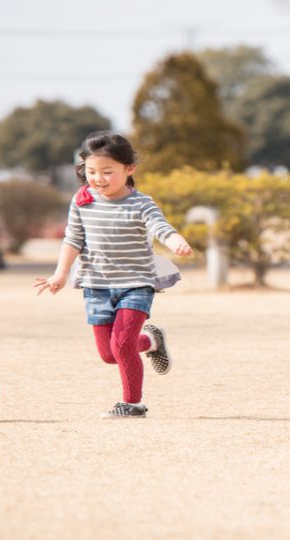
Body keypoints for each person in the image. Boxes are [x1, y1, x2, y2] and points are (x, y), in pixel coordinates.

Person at [34, 131, 194, 419]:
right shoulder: (82, 201)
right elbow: (73, 239)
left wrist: (175, 241)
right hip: (96, 286)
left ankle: (133, 404)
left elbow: (160, 226)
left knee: (121, 345)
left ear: (129, 169)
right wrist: (60, 274)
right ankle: (152, 341)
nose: (98, 178)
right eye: (91, 171)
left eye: (108, 172)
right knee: (110, 354)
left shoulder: (141, 203)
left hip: (136, 285)